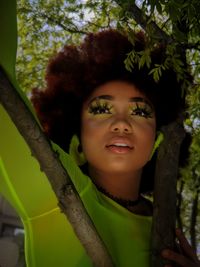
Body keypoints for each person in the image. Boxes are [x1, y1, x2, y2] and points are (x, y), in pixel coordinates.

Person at [30, 29, 200, 267]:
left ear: (156, 145)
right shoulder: (56, 194)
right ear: (76, 145)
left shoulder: (166, 227)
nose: (121, 124)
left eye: (140, 112)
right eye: (101, 110)